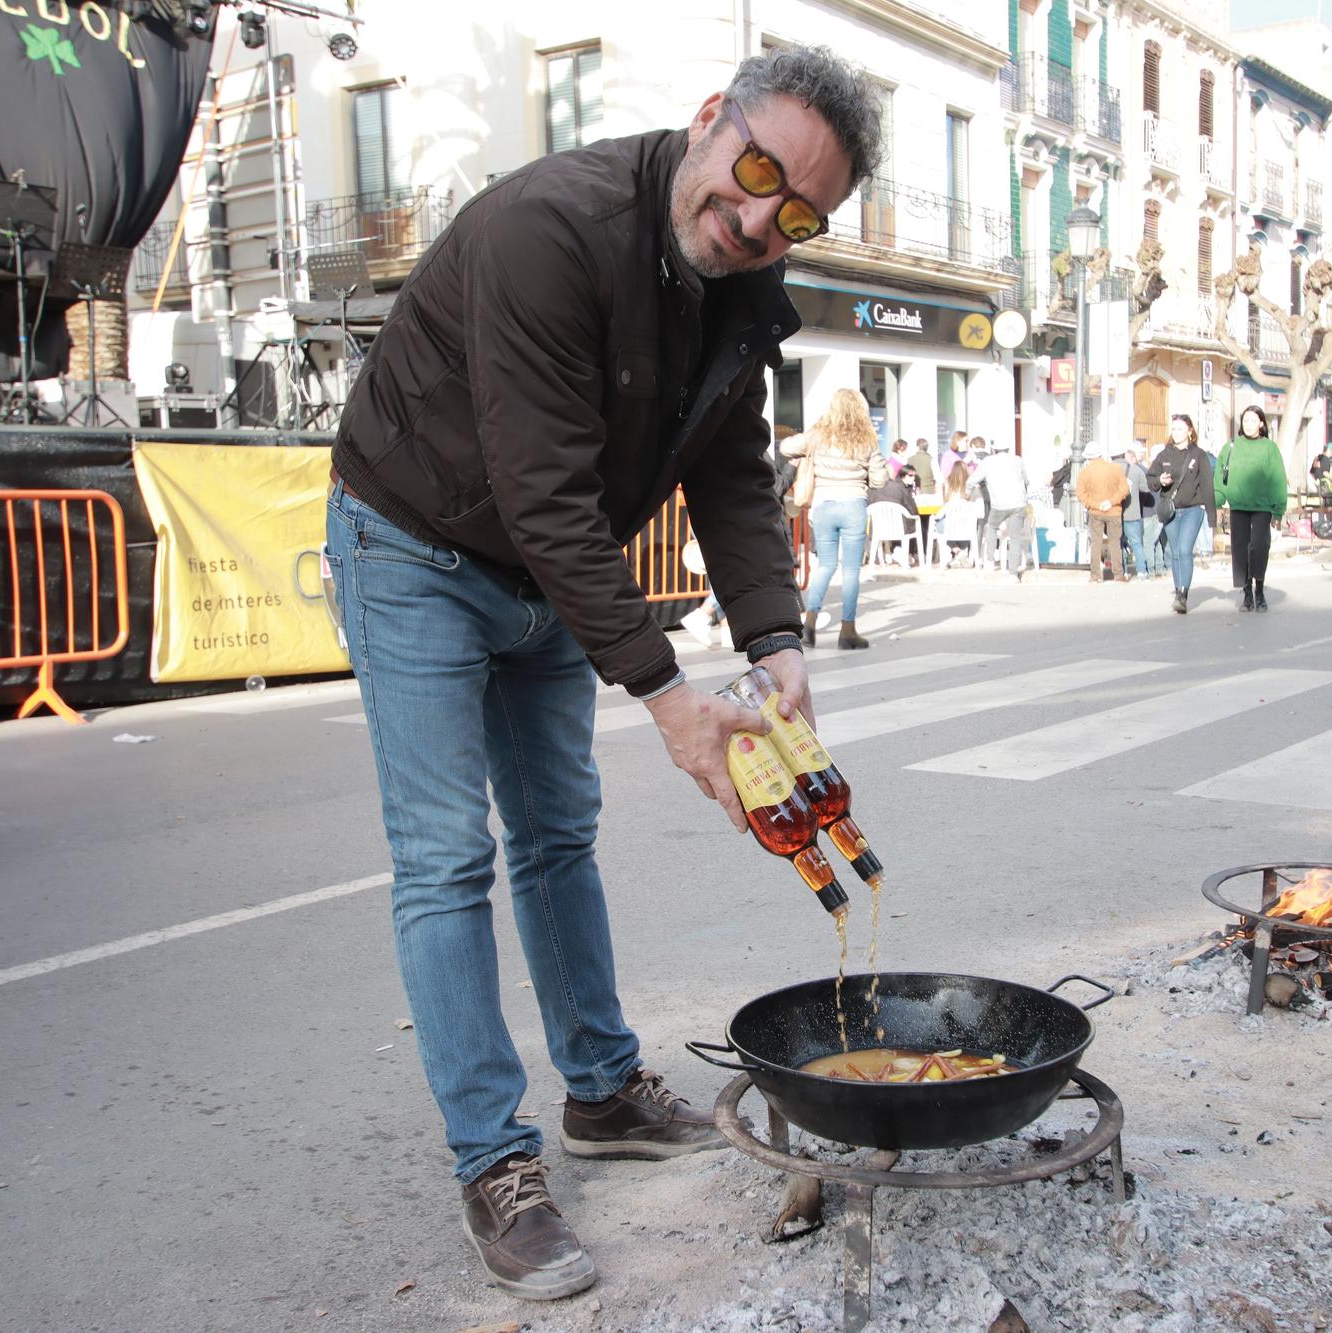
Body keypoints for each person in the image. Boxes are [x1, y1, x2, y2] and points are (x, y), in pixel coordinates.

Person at [326, 47, 880, 1299]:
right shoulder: (548, 229)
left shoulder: (748, 277)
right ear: (705, 123)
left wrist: (776, 643)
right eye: (746, 177)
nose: (750, 223)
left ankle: (601, 1091)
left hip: (537, 571)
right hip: (412, 540)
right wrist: (671, 699)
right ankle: (494, 1164)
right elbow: (544, 493)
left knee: (558, 835)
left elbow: (730, 469)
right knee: (444, 855)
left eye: (792, 214)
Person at [788, 388, 889, 646]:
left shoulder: (818, 435)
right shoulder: (867, 439)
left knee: (825, 565)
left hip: (823, 506)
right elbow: (880, 478)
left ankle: (809, 625)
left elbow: (787, 446)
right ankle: (848, 631)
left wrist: (807, 450)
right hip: (854, 504)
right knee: (851, 570)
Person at [1216, 406, 1286, 611]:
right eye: (1245, 420)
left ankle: (1260, 589)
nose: (1248, 425)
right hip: (1238, 506)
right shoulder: (1231, 446)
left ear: (1261, 424)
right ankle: (1246, 592)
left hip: (1262, 506)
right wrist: (1218, 500)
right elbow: (1220, 475)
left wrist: (1278, 509)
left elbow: (1278, 478)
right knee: (1240, 549)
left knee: (1259, 546)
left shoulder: (1269, 448)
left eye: (1252, 421)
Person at [1148, 415, 1216, 614]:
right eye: (1174, 429)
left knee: (1185, 550)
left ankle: (1183, 594)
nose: (1176, 433)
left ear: (1189, 431)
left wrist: (1212, 515)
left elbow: (1207, 485)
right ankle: (1178, 590)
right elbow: (1151, 479)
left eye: (1180, 429)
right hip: (1170, 510)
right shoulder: (1164, 455)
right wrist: (1160, 480)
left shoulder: (1198, 455)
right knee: (1176, 552)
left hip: (1192, 509)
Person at [973, 439, 1030, 579]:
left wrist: (968, 493)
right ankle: (1013, 574)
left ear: (993, 450)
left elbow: (972, 480)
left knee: (992, 527)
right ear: (1008, 450)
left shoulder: (988, 462)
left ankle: (990, 562)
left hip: (998, 504)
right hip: (1018, 504)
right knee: (1015, 537)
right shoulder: (1017, 460)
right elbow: (1026, 481)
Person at [1075, 442, 1130, 584]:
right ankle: (1118, 575)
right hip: (1114, 511)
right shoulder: (1115, 469)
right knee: (1114, 543)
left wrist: (1095, 504)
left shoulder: (1084, 473)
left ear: (1088, 457)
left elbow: (1081, 494)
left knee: (1096, 543)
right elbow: (1124, 489)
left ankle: (1095, 576)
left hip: (1095, 512)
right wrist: (1111, 502)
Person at [936, 459, 981, 565]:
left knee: (939, 525)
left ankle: (956, 550)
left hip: (951, 525)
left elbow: (943, 503)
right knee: (969, 526)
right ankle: (961, 552)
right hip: (967, 525)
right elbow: (978, 504)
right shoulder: (973, 486)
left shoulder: (947, 484)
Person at [1119, 446, 1154, 579]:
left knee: (1119, 543)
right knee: (1137, 543)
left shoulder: (1112, 470)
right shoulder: (1137, 470)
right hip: (1133, 512)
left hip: (1116, 512)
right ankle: (1141, 571)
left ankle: (1122, 570)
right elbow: (1146, 488)